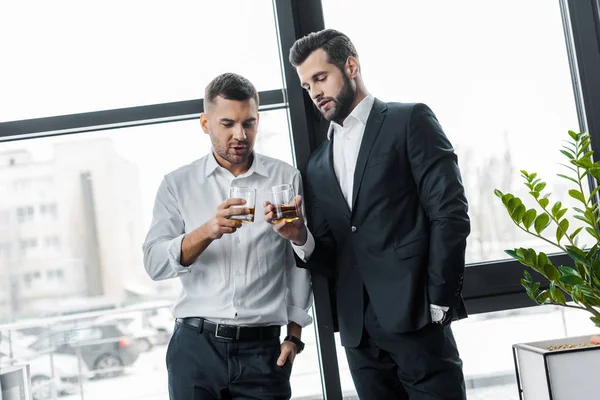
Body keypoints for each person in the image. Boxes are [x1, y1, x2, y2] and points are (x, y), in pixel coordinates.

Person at [269, 29, 470, 399]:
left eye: (320, 77)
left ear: (351, 65)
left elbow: (450, 212)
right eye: (306, 85)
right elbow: (333, 250)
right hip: (359, 336)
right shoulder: (317, 165)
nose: (314, 92)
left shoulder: (408, 120)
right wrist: (300, 237)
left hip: (418, 317)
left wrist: (440, 301)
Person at [143, 72, 312, 400]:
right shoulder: (177, 185)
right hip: (195, 349)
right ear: (205, 123)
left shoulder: (285, 178)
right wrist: (207, 231)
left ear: (257, 121)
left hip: (263, 353)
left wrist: (294, 335)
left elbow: (298, 266)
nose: (240, 134)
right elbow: (154, 264)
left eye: (248, 123)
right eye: (227, 124)